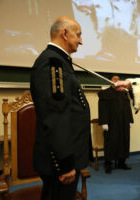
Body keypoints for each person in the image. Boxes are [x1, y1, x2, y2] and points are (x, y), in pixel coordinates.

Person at [30, 16, 93, 200]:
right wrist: (65, 164)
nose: (81, 41)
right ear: (64, 33)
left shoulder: (60, 61)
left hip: (62, 156)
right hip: (58, 161)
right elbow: (56, 117)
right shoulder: (53, 63)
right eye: (78, 35)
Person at [98, 75, 134, 174]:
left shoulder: (123, 93)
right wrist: (104, 122)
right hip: (111, 123)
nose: (117, 80)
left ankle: (121, 163)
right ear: (110, 82)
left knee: (123, 141)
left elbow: (128, 107)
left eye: (118, 79)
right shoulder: (105, 93)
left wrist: (130, 120)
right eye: (114, 79)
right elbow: (102, 109)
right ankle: (108, 164)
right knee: (111, 142)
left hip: (123, 122)